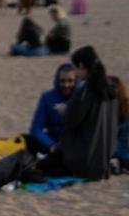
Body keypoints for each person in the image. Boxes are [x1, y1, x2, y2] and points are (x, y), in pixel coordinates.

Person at [39, 46, 119, 180]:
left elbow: (72, 121)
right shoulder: (111, 88)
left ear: (81, 66)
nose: (75, 74)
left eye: (75, 69)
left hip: (85, 161)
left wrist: (65, 110)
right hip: (104, 158)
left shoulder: (88, 90)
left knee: (43, 166)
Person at [25, 63, 77, 153]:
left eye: (70, 81)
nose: (66, 85)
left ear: (76, 81)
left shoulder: (81, 98)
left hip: (75, 145)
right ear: (57, 80)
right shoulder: (47, 97)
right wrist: (51, 146)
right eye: (62, 81)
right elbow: (36, 128)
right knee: (25, 140)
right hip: (53, 143)